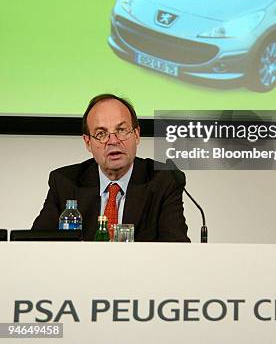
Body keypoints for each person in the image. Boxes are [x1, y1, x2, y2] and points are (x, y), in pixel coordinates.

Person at [32, 94, 190, 242]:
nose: (113, 141)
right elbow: (35, 244)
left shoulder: (163, 180)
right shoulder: (65, 183)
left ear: (136, 135)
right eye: (101, 134)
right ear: (88, 142)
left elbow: (176, 249)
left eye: (121, 130)